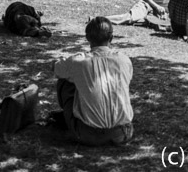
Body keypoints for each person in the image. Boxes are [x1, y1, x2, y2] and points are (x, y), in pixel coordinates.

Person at [52, 17, 133, 146]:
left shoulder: (78, 62)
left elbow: (57, 69)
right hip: (122, 134)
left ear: (88, 38)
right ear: (111, 38)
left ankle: (72, 117)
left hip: (87, 135)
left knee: (66, 81)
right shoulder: (124, 59)